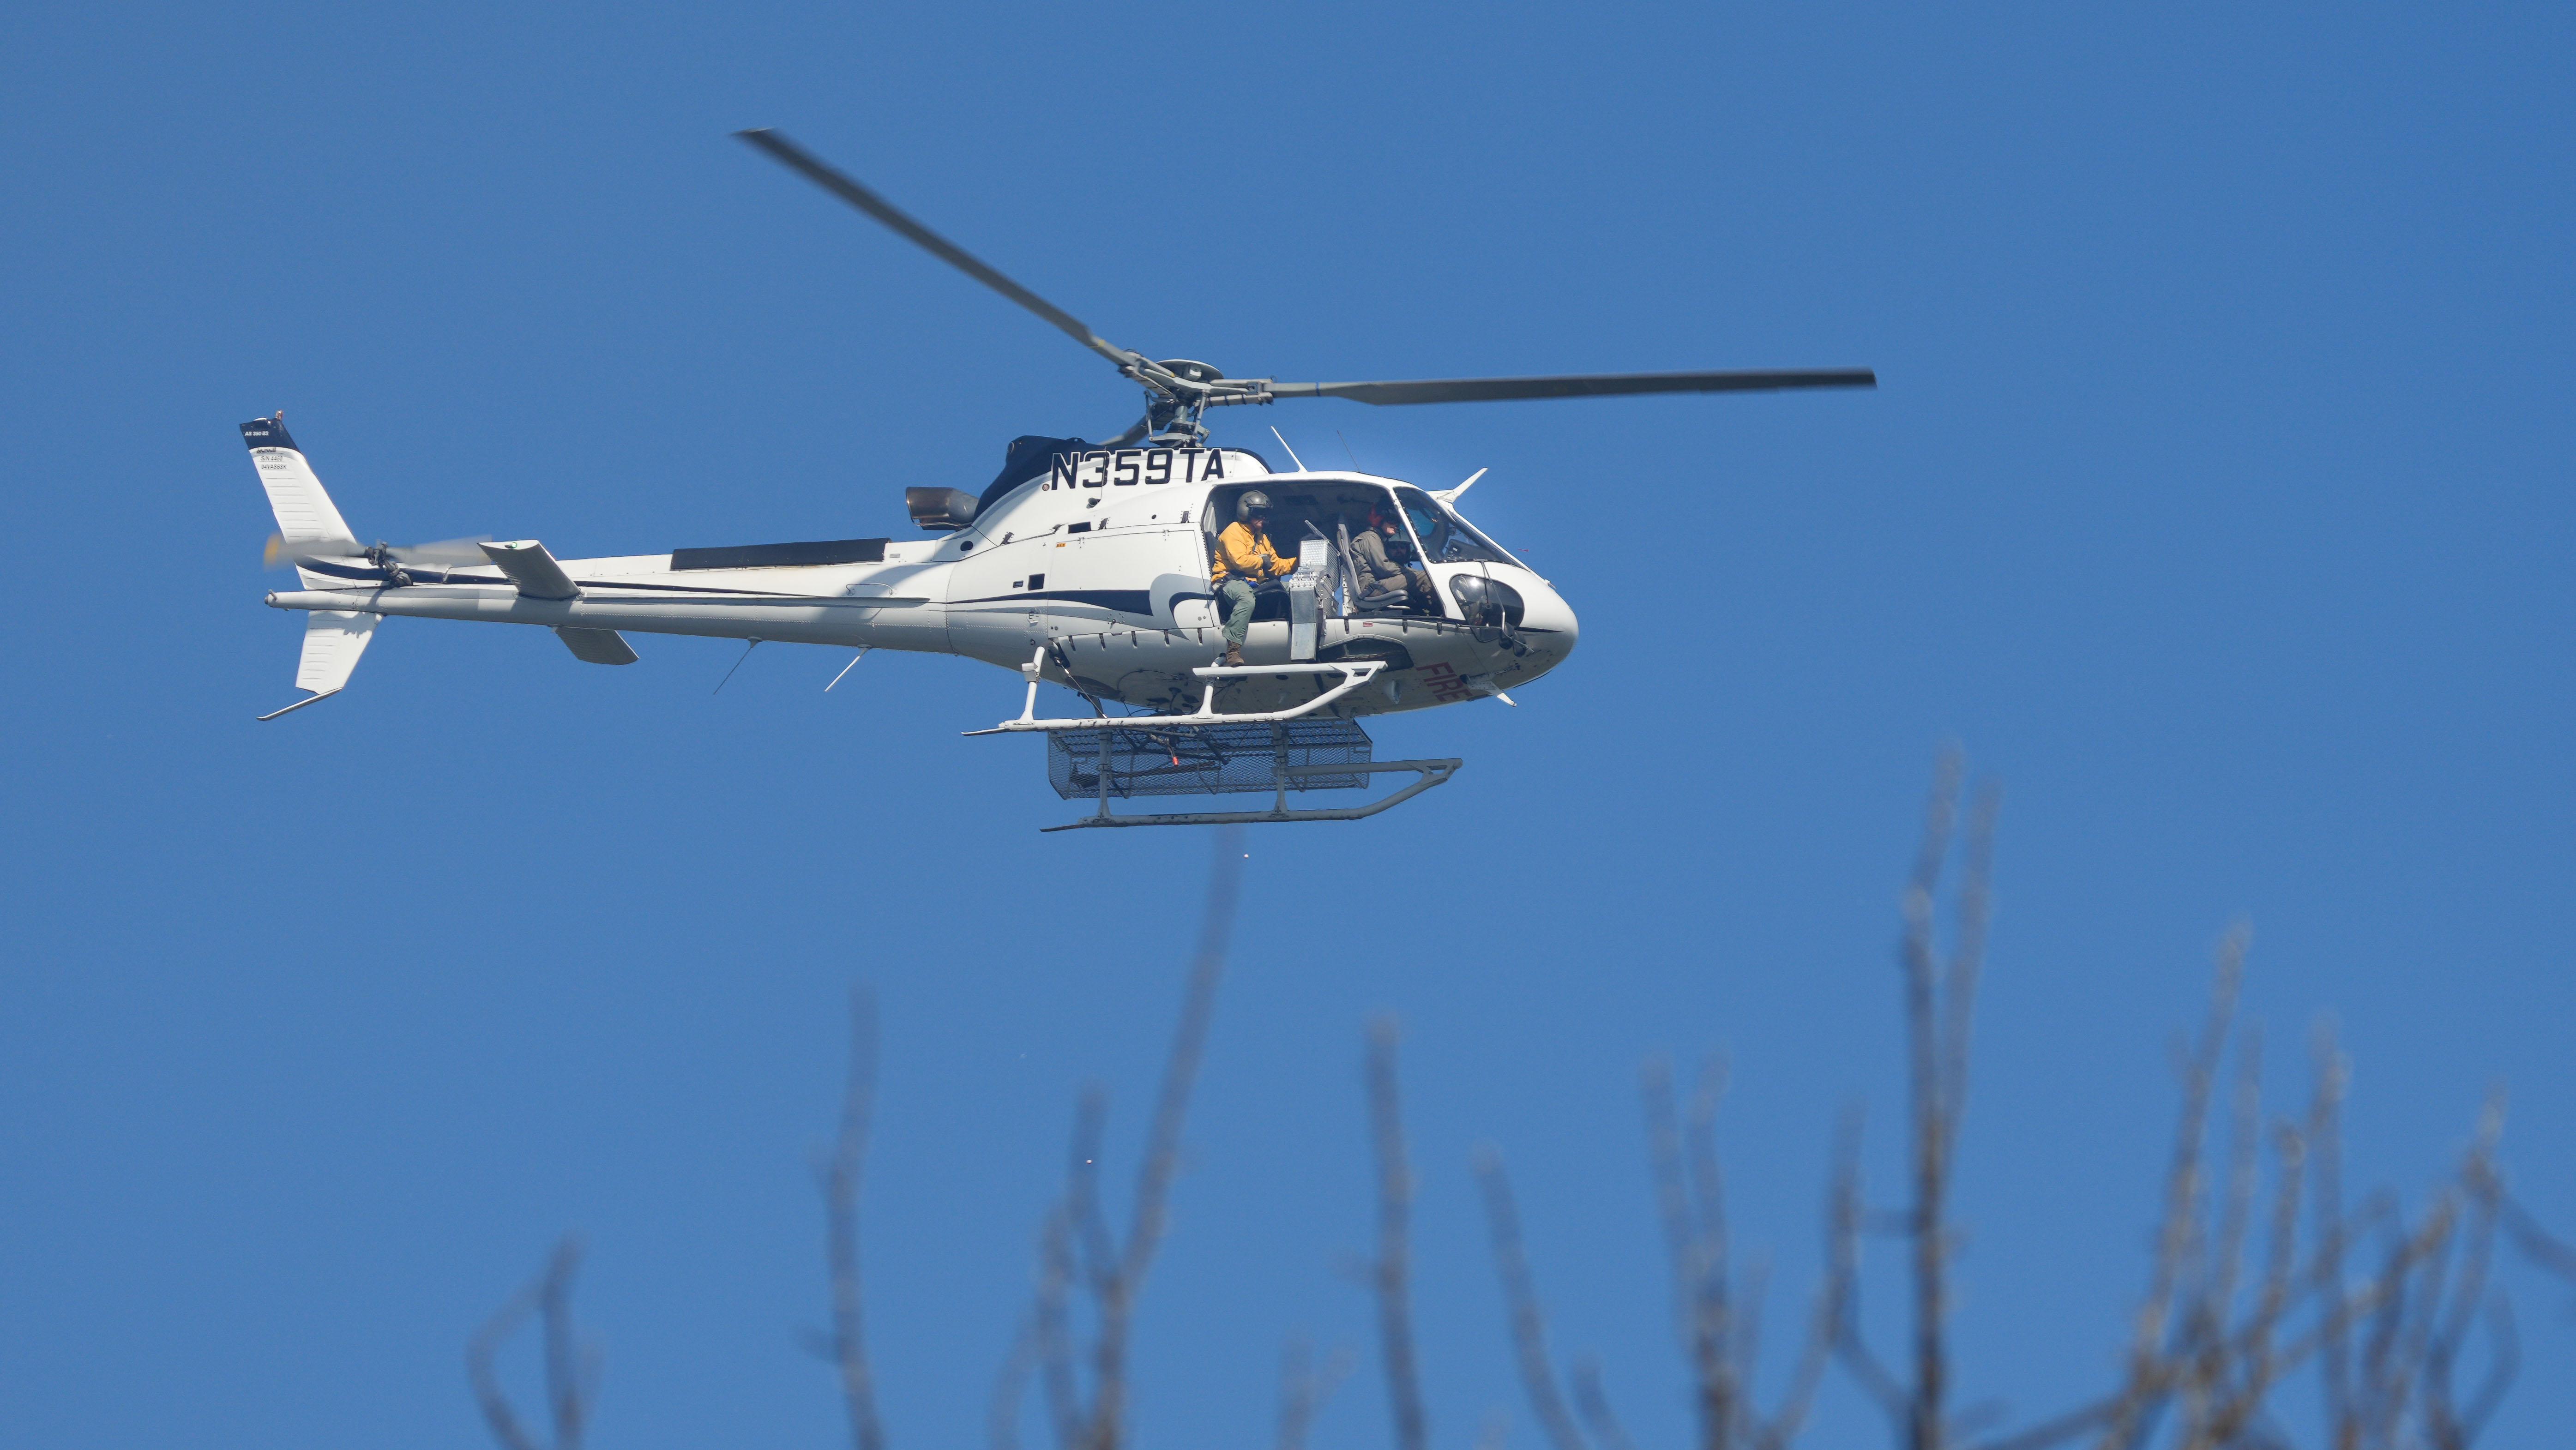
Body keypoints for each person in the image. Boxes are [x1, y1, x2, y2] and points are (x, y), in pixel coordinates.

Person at [1210, 489, 1295, 666]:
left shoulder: (1262, 538)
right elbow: (1241, 562)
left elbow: (1276, 566)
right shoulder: (1233, 531)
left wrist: (1300, 560)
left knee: (1294, 591)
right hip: (1229, 581)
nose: (1262, 518)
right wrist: (1262, 561)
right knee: (1246, 600)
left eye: (1264, 514)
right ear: (1246, 512)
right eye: (1258, 513)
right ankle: (1233, 650)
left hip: (1255, 583)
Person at [1346, 506, 1433, 612]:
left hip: (1375, 586)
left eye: (1398, 522)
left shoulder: (1376, 538)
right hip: (1371, 589)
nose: (1396, 525)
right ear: (1379, 520)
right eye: (1392, 520)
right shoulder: (1370, 537)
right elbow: (1384, 568)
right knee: (1425, 577)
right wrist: (1413, 573)